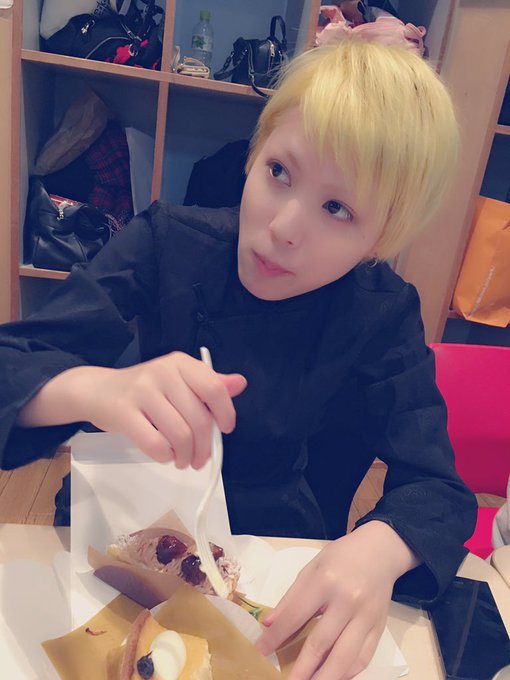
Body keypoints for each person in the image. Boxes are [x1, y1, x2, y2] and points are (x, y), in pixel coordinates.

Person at [0, 39, 476, 679]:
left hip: (274, 558)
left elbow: (437, 489)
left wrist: (380, 549)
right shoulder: (169, 241)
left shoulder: (382, 310)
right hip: (118, 538)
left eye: (337, 208)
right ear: (256, 151)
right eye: (279, 171)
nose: (283, 227)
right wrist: (97, 389)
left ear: (380, 237)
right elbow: (13, 360)